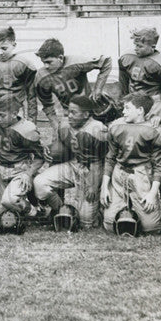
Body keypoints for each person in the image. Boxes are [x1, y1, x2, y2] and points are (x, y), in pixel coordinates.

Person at [32, 95, 107, 229]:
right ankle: (61, 209)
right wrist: (50, 152)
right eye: (68, 112)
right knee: (40, 183)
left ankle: (99, 212)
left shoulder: (97, 129)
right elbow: (59, 147)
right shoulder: (65, 125)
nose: (69, 116)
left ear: (85, 114)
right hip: (73, 164)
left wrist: (93, 186)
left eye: (74, 112)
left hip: (91, 170)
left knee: (86, 223)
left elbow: (99, 162)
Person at [101, 94, 161, 235]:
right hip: (119, 173)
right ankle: (125, 205)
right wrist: (104, 187)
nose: (123, 112)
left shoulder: (155, 130)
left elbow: (159, 165)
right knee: (109, 224)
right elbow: (110, 158)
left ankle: (135, 206)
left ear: (140, 110)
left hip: (141, 174)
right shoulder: (116, 126)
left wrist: (152, 193)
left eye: (127, 108)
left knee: (152, 228)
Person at [34, 38, 112, 128]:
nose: (46, 66)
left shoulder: (76, 62)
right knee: (69, 137)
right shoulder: (41, 77)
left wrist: (97, 89)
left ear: (60, 58)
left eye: (49, 62)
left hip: (89, 108)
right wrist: (56, 127)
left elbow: (106, 61)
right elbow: (47, 105)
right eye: (43, 62)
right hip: (69, 112)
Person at [0, 94, 46, 218]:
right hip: (2, 169)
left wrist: (28, 173)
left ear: (15, 114)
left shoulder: (26, 130)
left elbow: (40, 157)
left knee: (9, 201)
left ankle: (36, 212)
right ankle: (34, 203)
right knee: (7, 211)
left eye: (2, 115)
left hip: (19, 169)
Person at [0, 26, 38, 123]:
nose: (0, 52)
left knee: (16, 134)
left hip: (16, 110)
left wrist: (32, 120)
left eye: (4, 48)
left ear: (14, 45)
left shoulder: (25, 65)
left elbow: (31, 96)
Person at [117, 26, 161, 124]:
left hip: (154, 102)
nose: (136, 49)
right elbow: (123, 83)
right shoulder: (126, 57)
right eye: (135, 45)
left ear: (152, 46)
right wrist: (123, 102)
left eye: (140, 46)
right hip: (133, 100)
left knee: (154, 129)